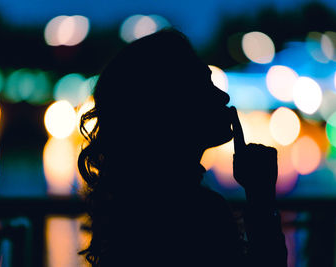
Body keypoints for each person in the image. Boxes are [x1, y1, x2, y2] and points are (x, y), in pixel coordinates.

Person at [78, 29, 287, 266]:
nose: (224, 97)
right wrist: (261, 197)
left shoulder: (136, 211)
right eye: (206, 85)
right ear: (173, 104)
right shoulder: (202, 214)